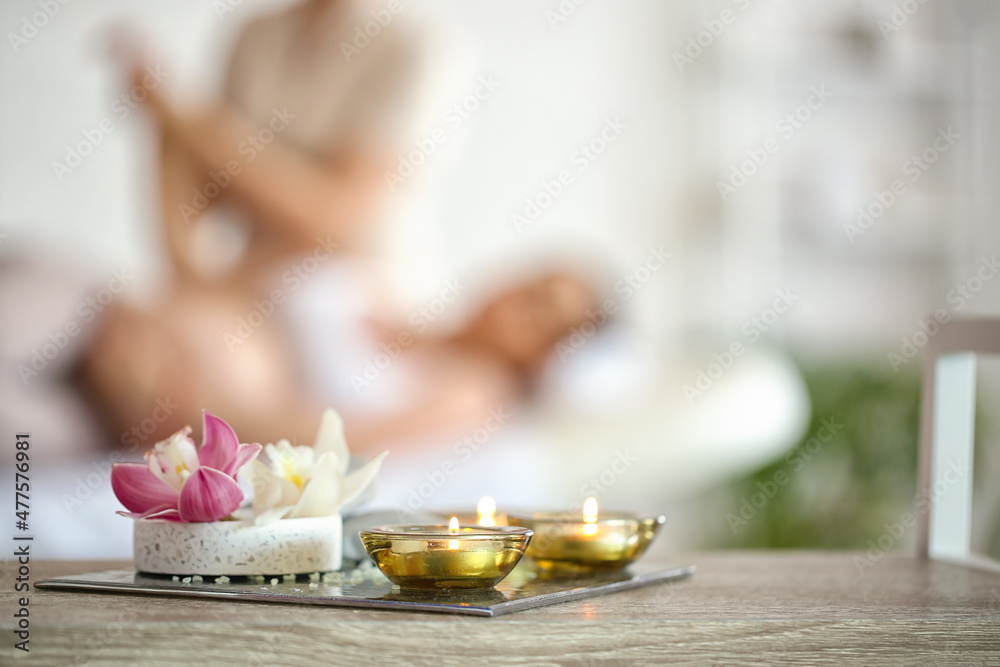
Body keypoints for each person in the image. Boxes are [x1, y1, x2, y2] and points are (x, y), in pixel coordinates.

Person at [80, 0, 602, 454]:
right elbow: (208, 226)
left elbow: (330, 442)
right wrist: (166, 120)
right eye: (530, 282)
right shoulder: (391, 307)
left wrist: (203, 416)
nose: (512, 294)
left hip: (197, 396)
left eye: (537, 310)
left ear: (544, 360)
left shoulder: (473, 393)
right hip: (193, 333)